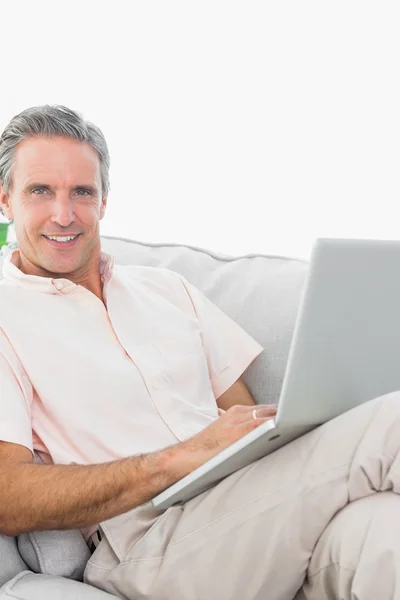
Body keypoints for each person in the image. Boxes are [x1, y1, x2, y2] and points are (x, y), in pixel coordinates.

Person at [0, 106, 400, 600]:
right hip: (145, 546)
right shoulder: (5, 314)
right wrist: (175, 461)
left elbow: (245, 417)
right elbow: (7, 495)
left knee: (383, 532)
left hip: (242, 509)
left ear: (104, 202)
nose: (64, 214)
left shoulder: (167, 289)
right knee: (392, 418)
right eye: (41, 191)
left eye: (82, 192)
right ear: (6, 201)